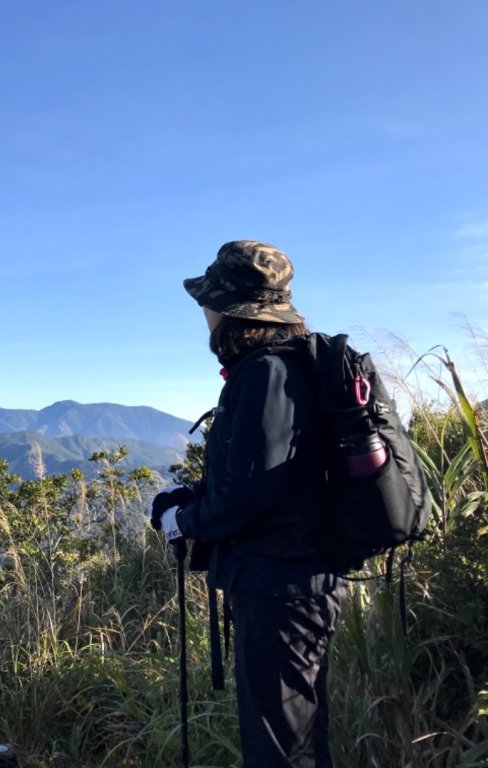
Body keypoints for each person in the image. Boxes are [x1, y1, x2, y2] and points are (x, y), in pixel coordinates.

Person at [151, 240, 349, 768]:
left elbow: (250, 495)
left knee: (280, 748)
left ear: (231, 310)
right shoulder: (285, 367)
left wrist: (182, 520)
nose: (205, 313)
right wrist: (192, 498)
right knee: (297, 735)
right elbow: (270, 476)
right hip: (298, 579)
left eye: (208, 303)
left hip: (280, 587)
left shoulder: (266, 374)